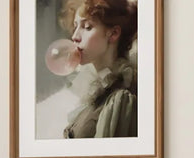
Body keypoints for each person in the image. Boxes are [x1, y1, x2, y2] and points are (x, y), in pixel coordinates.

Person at [59, 0, 138, 139]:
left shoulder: (120, 98)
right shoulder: (94, 93)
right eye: (75, 26)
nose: (74, 37)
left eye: (87, 27)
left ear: (113, 33)